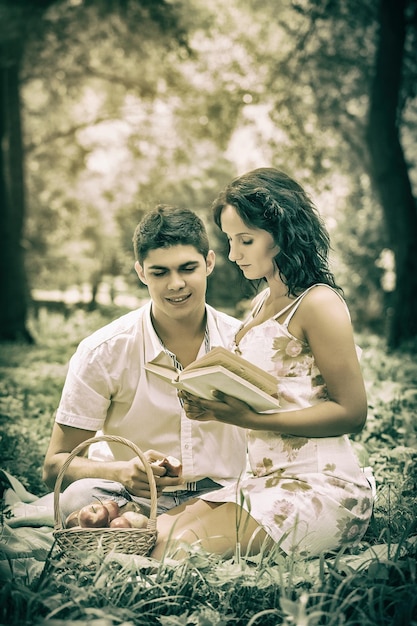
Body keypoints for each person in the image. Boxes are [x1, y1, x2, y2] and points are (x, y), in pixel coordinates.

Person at [150, 168, 374, 561]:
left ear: (282, 234)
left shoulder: (318, 303)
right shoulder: (259, 306)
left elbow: (352, 414)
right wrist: (210, 403)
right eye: (230, 240)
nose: (234, 255)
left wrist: (246, 418)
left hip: (319, 485)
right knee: (156, 533)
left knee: (179, 552)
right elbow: (269, 394)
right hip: (260, 482)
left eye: (246, 240)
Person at [42, 205, 247, 520]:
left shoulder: (245, 342)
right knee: (76, 499)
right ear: (141, 273)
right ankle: (145, 526)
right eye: (159, 272)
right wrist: (122, 471)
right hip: (128, 495)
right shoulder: (103, 350)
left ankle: (146, 529)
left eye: (187, 268)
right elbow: (55, 465)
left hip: (225, 495)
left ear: (209, 263)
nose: (175, 283)